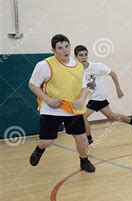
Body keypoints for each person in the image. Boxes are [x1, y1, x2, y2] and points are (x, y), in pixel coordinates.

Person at [28, 34, 95, 172]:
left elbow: (84, 87)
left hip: (72, 108)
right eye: (60, 48)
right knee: (47, 142)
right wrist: (48, 100)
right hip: (52, 108)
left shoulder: (78, 66)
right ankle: (40, 149)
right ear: (53, 50)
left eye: (67, 46)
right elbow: (32, 85)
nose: (65, 50)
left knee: (82, 139)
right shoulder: (44, 65)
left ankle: (84, 160)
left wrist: (81, 99)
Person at [74, 45, 132, 145]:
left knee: (82, 117)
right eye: (80, 55)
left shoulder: (97, 66)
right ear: (76, 57)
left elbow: (113, 74)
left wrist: (118, 89)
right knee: (111, 115)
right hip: (94, 98)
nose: (83, 57)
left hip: (98, 97)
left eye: (85, 55)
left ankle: (89, 140)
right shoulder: (77, 70)